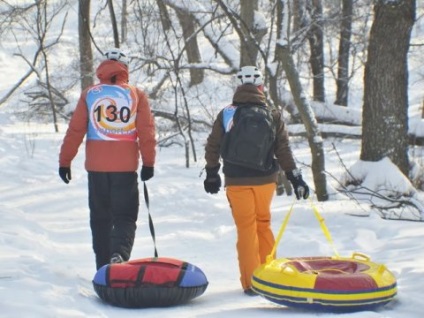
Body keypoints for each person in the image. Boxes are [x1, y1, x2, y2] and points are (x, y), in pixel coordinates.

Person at [203, 66, 309, 295]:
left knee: (246, 229)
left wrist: (212, 172)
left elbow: (213, 145)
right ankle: (271, 277)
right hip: (266, 180)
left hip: (236, 180)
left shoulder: (227, 113)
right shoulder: (272, 113)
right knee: (263, 224)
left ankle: (251, 283)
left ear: (239, 87)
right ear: (261, 87)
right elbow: (283, 149)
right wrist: (294, 176)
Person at [59, 48, 156, 270]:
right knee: (125, 215)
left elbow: (75, 130)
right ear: (125, 69)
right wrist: (149, 162)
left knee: (100, 218)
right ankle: (119, 256)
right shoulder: (136, 94)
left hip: (97, 168)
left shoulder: (90, 94)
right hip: (125, 167)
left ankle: (102, 266)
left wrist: (65, 161)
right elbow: (146, 131)